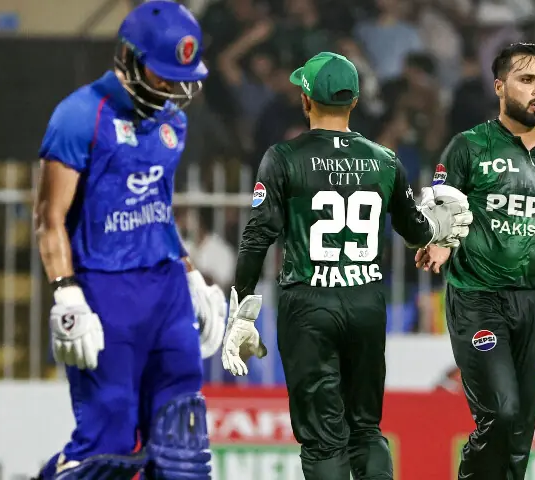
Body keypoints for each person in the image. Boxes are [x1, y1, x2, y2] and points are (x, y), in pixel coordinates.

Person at [220, 51, 473, 480]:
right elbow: (417, 230)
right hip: (365, 303)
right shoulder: (385, 160)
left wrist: (242, 310)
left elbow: (257, 237)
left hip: (308, 303)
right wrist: (438, 229)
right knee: (366, 430)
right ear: (353, 102)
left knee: (323, 439)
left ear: (305, 99)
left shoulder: (283, 157)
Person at [31, 2, 226, 478]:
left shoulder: (172, 122)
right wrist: (66, 293)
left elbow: (156, 211)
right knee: (109, 446)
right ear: (129, 58)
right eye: (163, 75)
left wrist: (191, 275)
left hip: (166, 289)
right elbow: (49, 218)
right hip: (104, 289)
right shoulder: (79, 115)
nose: (172, 88)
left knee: (181, 442)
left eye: (180, 78)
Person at [414, 42, 535, 480]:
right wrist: (440, 240)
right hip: (477, 298)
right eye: (526, 80)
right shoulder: (468, 147)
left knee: (519, 437)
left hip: (534, 304)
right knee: (500, 413)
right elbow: (438, 206)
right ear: (500, 86)